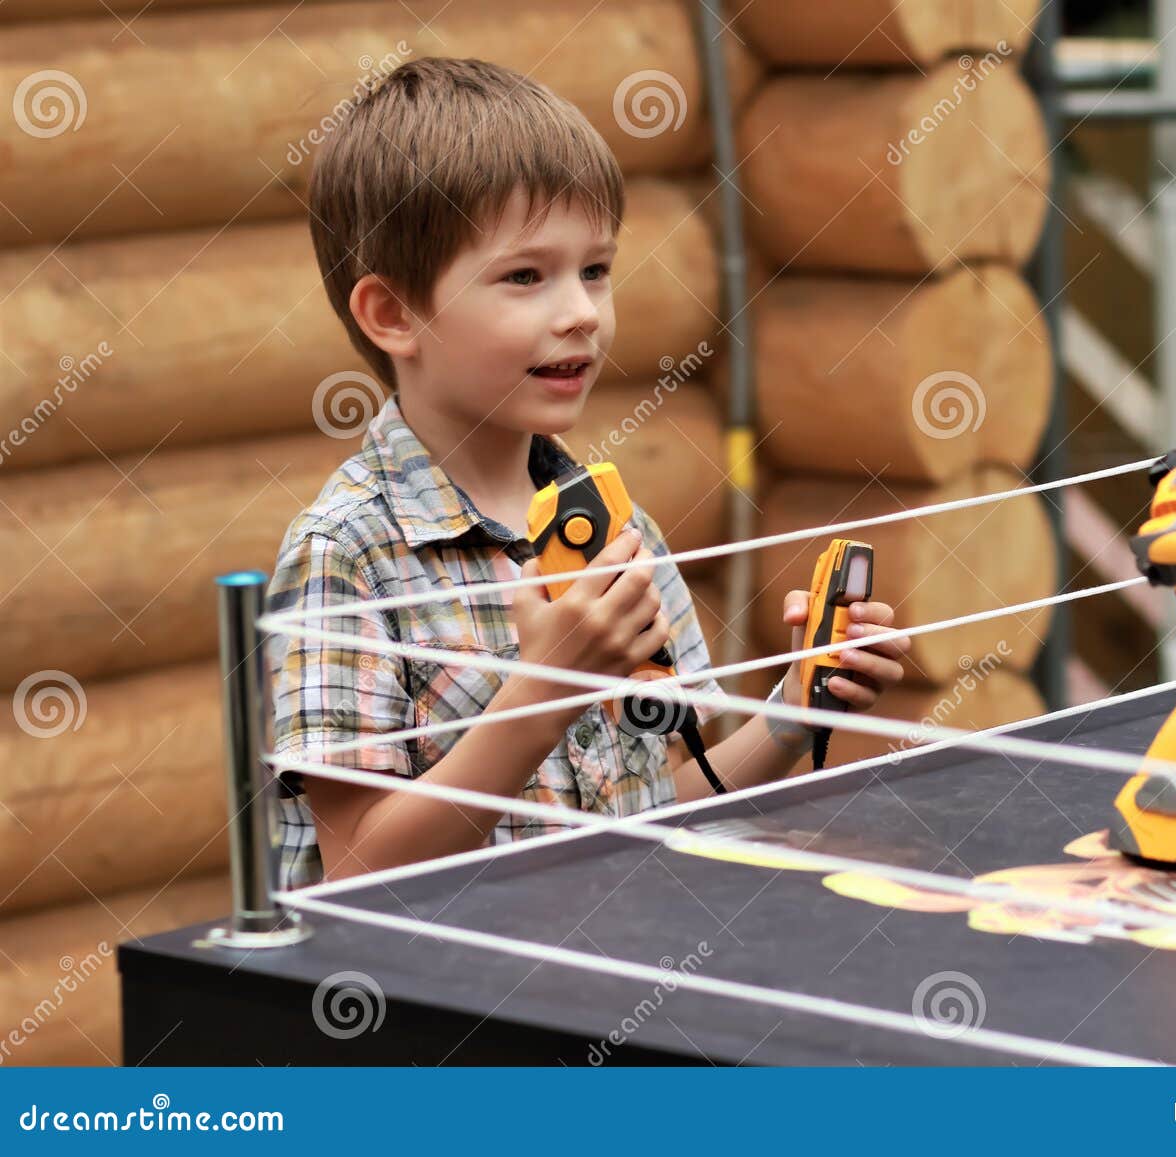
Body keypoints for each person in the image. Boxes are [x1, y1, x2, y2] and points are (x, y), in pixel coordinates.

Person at [266, 57, 907, 890]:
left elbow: (659, 807)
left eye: (595, 269)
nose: (581, 313)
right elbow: (358, 863)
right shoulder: (345, 552)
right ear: (394, 314)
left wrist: (793, 710)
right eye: (526, 276)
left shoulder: (617, 531)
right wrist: (546, 691)